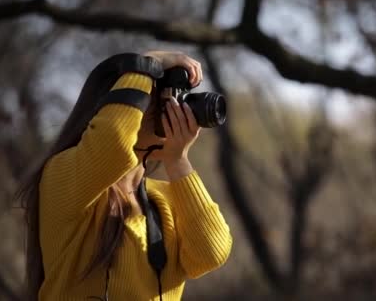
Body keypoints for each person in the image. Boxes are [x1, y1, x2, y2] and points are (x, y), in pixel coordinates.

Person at [16, 51, 233, 300]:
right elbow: (114, 144)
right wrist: (145, 64)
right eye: (153, 94)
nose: (171, 105)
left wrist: (177, 161)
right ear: (110, 108)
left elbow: (211, 253)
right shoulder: (62, 175)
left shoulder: (166, 197)